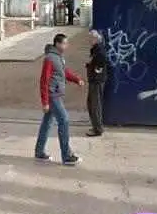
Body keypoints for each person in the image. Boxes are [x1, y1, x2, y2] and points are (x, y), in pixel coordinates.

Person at [35, 33, 85, 165]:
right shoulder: (50, 59)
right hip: (53, 96)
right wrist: (45, 102)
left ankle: (39, 152)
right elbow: (44, 81)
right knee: (64, 120)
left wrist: (76, 79)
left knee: (47, 124)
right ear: (57, 44)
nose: (66, 45)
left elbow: (64, 72)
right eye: (64, 43)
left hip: (56, 94)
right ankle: (67, 156)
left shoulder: (59, 57)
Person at [85, 29, 108, 137]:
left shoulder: (99, 50)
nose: (89, 40)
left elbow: (101, 63)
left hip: (96, 81)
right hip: (95, 80)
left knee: (95, 105)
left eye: (90, 38)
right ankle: (96, 126)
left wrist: (94, 69)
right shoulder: (96, 49)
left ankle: (98, 129)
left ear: (95, 39)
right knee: (91, 104)